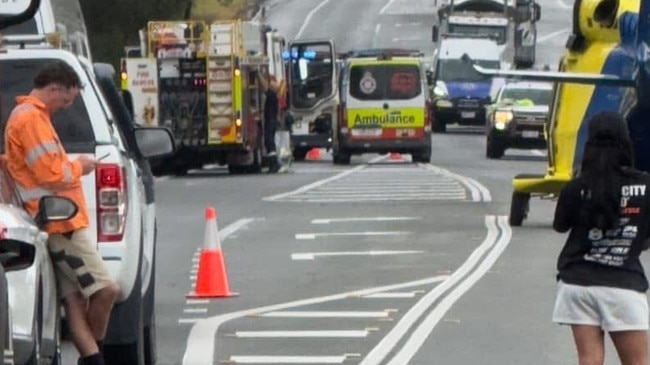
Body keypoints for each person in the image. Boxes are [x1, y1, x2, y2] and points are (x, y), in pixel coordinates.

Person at [3, 61, 120, 365]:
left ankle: (92, 359)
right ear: (53, 89)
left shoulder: (31, 116)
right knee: (107, 290)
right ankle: (95, 353)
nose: (67, 106)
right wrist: (80, 166)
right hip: (60, 223)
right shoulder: (30, 120)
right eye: (66, 99)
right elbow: (50, 174)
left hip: (55, 221)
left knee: (75, 301)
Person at [552, 111, 650, 365]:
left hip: (577, 284)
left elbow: (560, 226)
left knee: (589, 359)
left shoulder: (577, 186)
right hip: (623, 286)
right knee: (637, 362)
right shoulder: (645, 185)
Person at [260, 73, 281, 173]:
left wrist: (258, 75)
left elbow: (265, 87)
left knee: (269, 141)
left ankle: (274, 164)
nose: (270, 83)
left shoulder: (272, 95)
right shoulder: (274, 95)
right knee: (269, 141)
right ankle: (274, 163)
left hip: (271, 121)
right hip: (272, 120)